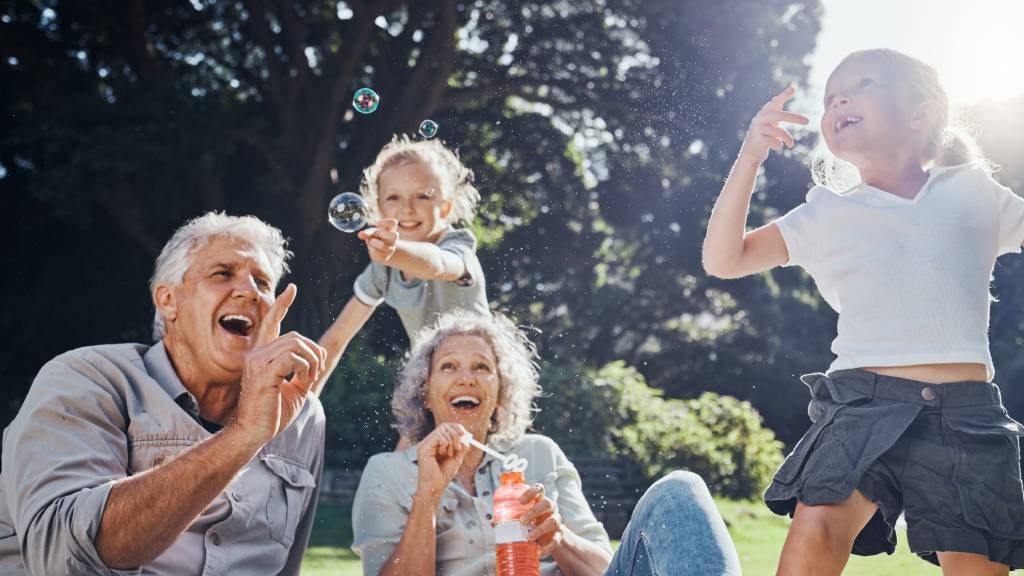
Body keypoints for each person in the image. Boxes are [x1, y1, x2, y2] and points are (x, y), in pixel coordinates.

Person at [703, 48, 1024, 574]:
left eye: (862, 85)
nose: (839, 101)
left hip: (967, 414)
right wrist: (749, 157)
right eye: (830, 98)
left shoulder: (974, 192)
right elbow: (723, 259)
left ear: (920, 113)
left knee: (976, 561)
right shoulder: (827, 211)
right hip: (863, 402)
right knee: (819, 524)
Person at [0, 212, 327, 574]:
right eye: (222, 273)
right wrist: (244, 436)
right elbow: (63, 559)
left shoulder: (302, 415)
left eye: (264, 283)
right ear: (168, 300)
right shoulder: (89, 379)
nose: (250, 292)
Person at [351, 311, 741, 576]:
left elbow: (605, 567)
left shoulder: (538, 453)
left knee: (680, 491)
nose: (466, 378)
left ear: (501, 392)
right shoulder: (388, 471)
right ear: (426, 391)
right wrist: (427, 498)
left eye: (482, 367)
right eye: (448, 366)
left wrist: (559, 538)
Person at [314, 134, 490, 398]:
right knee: (412, 437)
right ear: (378, 210)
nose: (406, 208)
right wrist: (302, 400)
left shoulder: (457, 246)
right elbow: (336, 338)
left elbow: (438, 264)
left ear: (445, 208)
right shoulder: (383, 269)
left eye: (422, 196)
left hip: (481, 377)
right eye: (393, 197)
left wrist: (395, 252)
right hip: (433, 383)